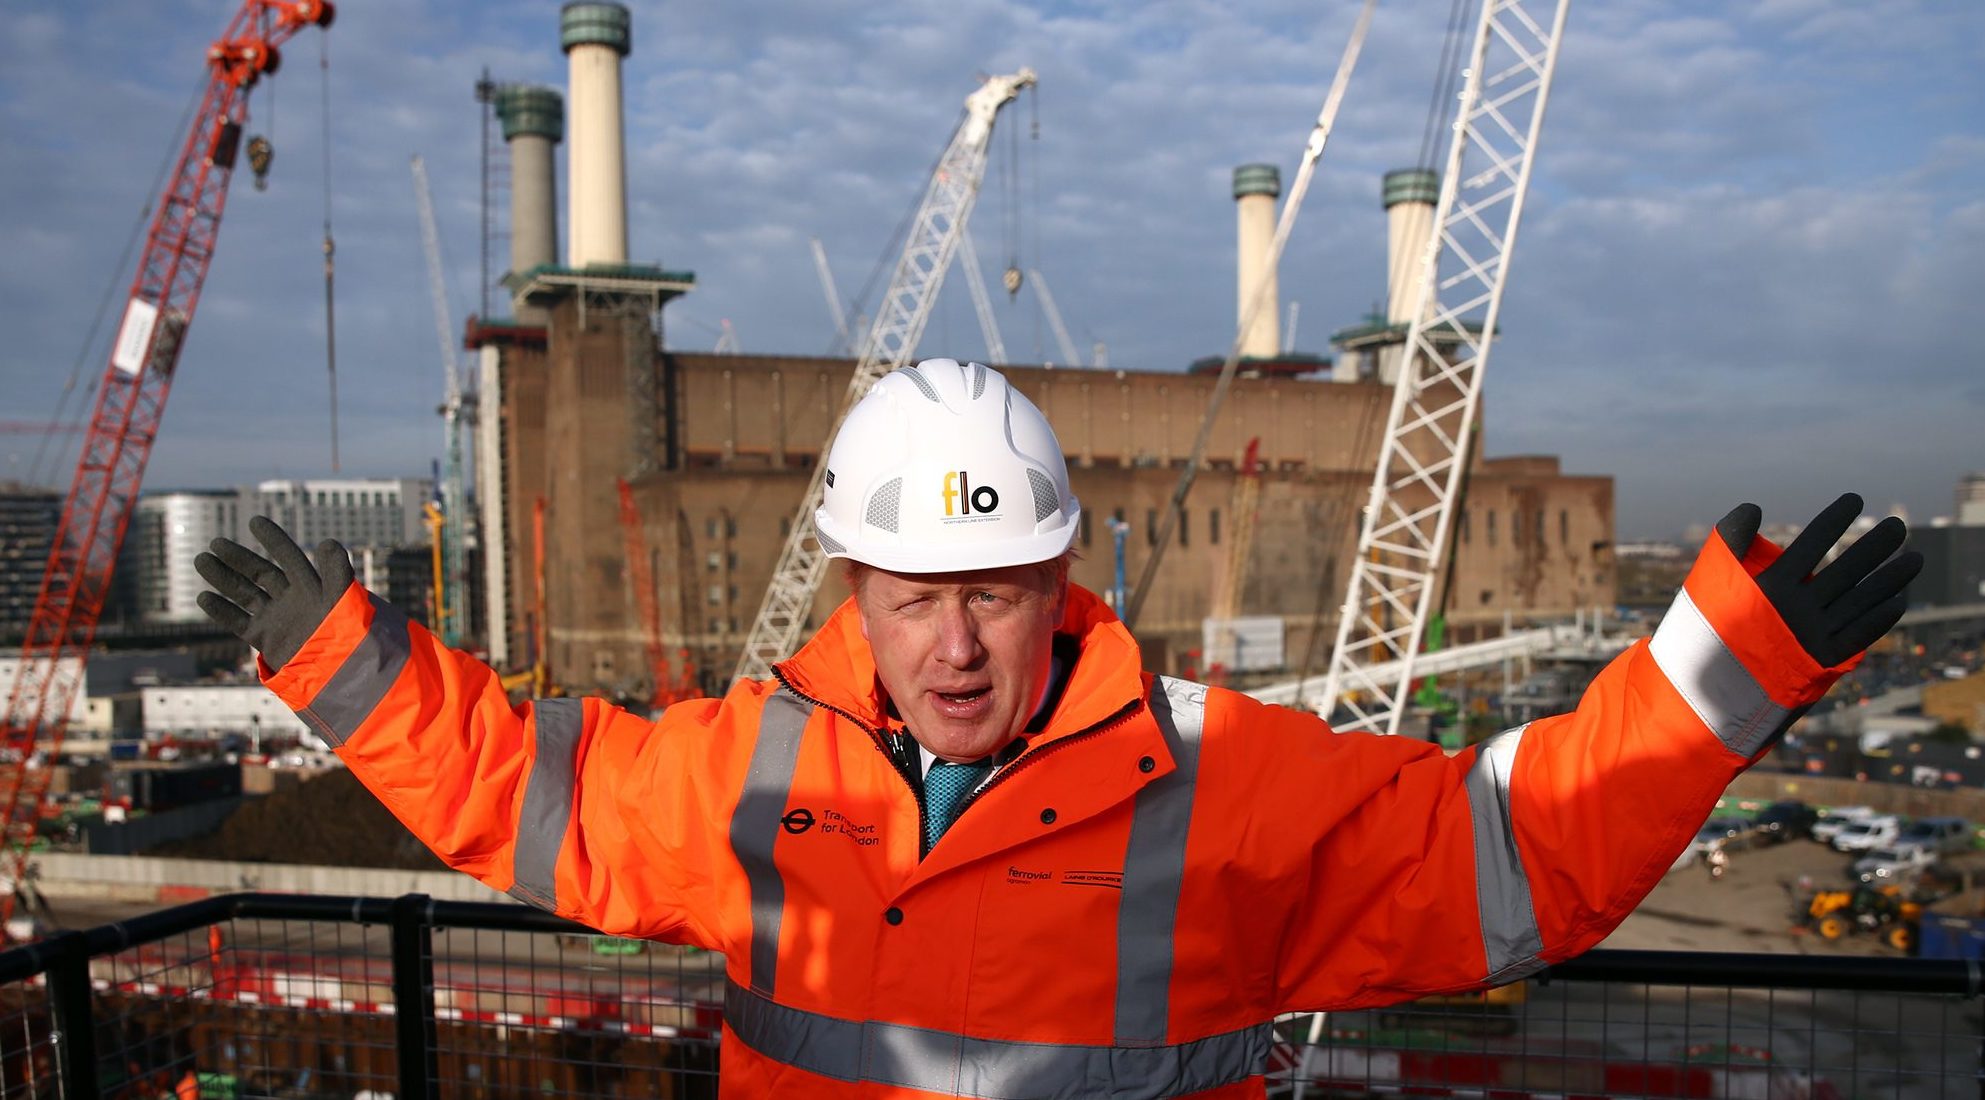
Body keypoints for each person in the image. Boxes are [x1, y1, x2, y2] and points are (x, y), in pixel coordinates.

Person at [196, 358, 1919, 1098]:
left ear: (1057, 579)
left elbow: (1512, 850)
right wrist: (354, 667)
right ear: (854, 588)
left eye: (995, 595)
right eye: (914, 597)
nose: (954, 649)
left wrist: (1725, 672)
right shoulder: (749, 764)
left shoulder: (1225, 778)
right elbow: (532, 793)